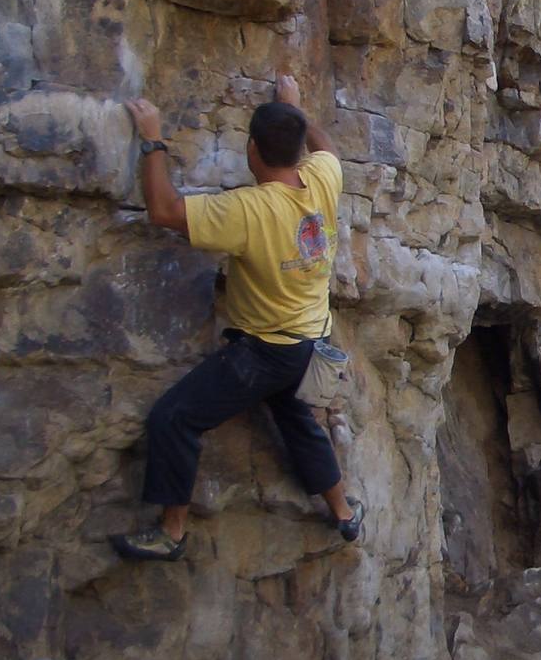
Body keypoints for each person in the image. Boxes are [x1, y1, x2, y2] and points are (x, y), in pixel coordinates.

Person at [109, 74, 363, 562]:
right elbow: (326, 146)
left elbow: (163, 211)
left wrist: (152, 138)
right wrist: (295, 111)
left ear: (251, 150)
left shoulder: (250, 209)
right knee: (297, 420)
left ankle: (172, 532)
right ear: (298, 151)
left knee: (174, 418)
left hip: (266, 351)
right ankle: (344, 513)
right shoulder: (323, 178)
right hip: (311, 340)